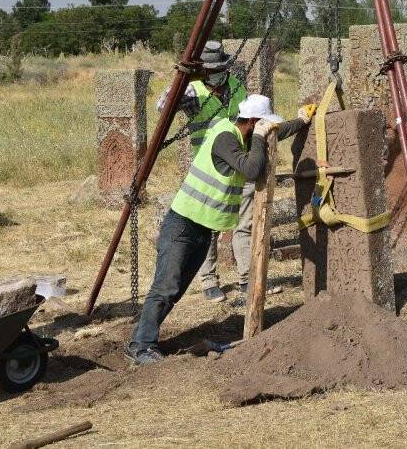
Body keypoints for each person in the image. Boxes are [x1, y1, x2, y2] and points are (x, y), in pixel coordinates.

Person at [126, 94, 310, 366]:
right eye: (262, 125)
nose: (265, 130)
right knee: (165, 287)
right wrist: (260, 137)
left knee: (174, 291)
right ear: (251, 121)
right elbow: (251, 169)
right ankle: (141, 347)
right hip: (183, 224)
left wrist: (303, 119)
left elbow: (276, 133)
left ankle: (142, 338)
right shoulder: (225, 137)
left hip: (202, 228)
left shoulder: (246, 134)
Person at [156, 41, 247, 303]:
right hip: (208, 169)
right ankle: (209, 280)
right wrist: (184, 79)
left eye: (220, 68)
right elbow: (162, 107)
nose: (217, 73)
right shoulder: (194, 91)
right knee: (208, 225)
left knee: (244, 223)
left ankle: (246, 278)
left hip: (238, 165)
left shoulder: (237, 87)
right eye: (211, 69)